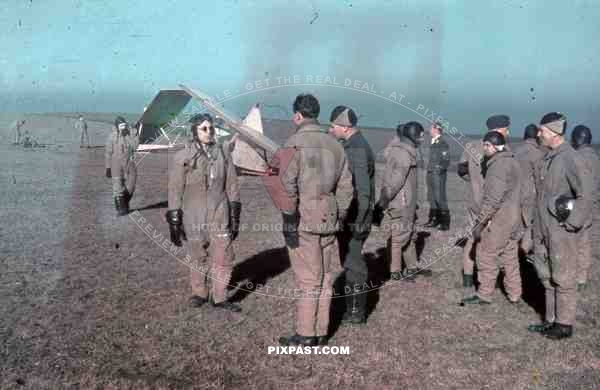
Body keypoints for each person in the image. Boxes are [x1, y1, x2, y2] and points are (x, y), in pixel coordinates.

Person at [278, 94, 353, 347]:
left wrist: (289, 218)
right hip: (330, 218)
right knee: (326, 278)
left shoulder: (293, 143)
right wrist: (338, 213)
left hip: (304, 221)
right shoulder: (336, 145)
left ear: (298, 115)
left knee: (309, 279)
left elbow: (283, 184)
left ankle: (306, 333)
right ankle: (321, 331)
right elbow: (346, 187)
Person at [166, 113, 242, 312]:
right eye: (204, 129)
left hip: (219, 211)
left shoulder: (223, 154)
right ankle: (199, 292)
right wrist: (174, 219)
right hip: (193, 213)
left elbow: (232, 184)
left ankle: (220, 296)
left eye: (211, 128)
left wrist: (235, 214)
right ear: (194, 131)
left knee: (223, 255)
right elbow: (175, 189)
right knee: (197, 254)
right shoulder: (182, 157)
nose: (209, 132)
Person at [528, 112, 592, 340]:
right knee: (547, 275)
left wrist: (572, 224)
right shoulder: (550, 157)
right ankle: (551, 320)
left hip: (561, 229)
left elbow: (586, 195)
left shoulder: (570, 158)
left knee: (564, 277)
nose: (539, 134)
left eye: (542, 131)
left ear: (554, 133)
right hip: (545, 228)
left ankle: (564, 325)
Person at [462, 131, 522, 305]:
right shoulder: (513, 161)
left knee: (486, 254)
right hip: (513, 217)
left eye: (486, 145)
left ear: (492, 146)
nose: (484, 148)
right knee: (510, 256)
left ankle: (484, 294)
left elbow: (492, 200)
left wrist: (480, 223)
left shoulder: (497, 166)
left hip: (499, 219)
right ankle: (514, 293)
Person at [328, 105, 375, 325]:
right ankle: (353, 307)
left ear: (345, 127)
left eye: (334, 126)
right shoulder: (356, 143)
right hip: (357, 214)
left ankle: (356, 311)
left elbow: (363, 190)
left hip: (355, 216)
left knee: (353, 263)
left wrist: (358, 219)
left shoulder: (355, 148)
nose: (331, 130)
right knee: (349, 261)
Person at [373, 122, 424, 282]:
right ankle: (394, 271)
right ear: (413, 136)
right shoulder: (403, 154)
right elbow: (395, 181)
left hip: (406, 202)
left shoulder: (404, 151)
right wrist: (384, 201)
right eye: (421, 134)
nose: (423, 137)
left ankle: (412, 267)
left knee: (409, 234)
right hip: (401, 203)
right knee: (398, 237)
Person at [570, 124, 599, 290]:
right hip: (591, 206)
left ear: (576, 139)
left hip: (578, 205)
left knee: (572, 242)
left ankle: (573, 276)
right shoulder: (595, 157)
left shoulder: (577, 157)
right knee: (584, 242)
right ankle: (581, 277)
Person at [512, 124, 546, 254]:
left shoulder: (515, 151)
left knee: (515, 228)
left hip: (514, 195)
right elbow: (539, 180)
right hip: (529, 196)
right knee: (531, 227)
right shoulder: (538, 154)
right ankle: (522, 254)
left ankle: (513, 252)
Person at [105, 116, 139, 216]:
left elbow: (135, 146)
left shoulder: (130, 134)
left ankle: (124, 202)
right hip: (115, 162)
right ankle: (121, 209)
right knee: (117, 185)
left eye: (124, 125)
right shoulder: (112, 136)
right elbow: (108, 152)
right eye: (120, 125)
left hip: (129, 161)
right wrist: (108, 167)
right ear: (116, 126)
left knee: (132, 183)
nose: (123, 127)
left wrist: (134, 134)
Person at [423, 121, 451, 230]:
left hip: (437, 174)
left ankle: (445, 222)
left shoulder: (442, 143)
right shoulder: (433, 142)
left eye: (431, 128)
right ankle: (433, 220)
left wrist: (438, 170)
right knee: (431, 197)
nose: (429, 130)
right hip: (430, 173)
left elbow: (446, 160)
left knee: (440, 198)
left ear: (436, 129)